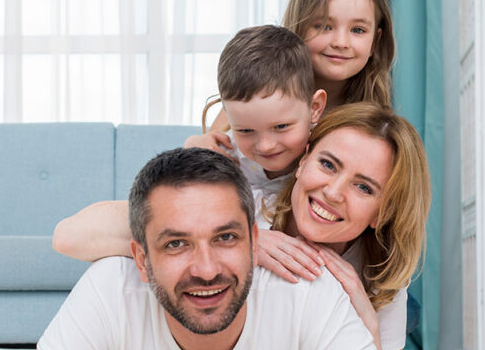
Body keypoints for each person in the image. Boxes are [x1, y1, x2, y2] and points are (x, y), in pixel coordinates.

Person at [14, 148, 392, 350]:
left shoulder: (311, 294)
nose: (207, 270)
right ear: (141, 260)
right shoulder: (109, 289)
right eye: (176, 244)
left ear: (254, 244)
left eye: (225, 238)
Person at [52, 24, 326, 261]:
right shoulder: (223, 156)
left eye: (281, 127)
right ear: (227, 116)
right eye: (245, 130)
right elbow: (67, 238)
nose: (265, 145)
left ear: (315, 108)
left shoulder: (328, 164)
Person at [263, 103, 430, 350]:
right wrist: (245, 242)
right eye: (328, 165)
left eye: (363, 188)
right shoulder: (246, 216)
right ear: (303, 161)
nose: (333, 192)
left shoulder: (378, 275)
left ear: (382, 213)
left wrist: (370, 326)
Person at [203, 0, 396, 133]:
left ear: (375, 41)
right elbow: (209, 154)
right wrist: (199, 145)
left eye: (358, 30)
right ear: (298, 27)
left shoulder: (374, 125)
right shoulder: (255, 92)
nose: (341, 42)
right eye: (324, 26)